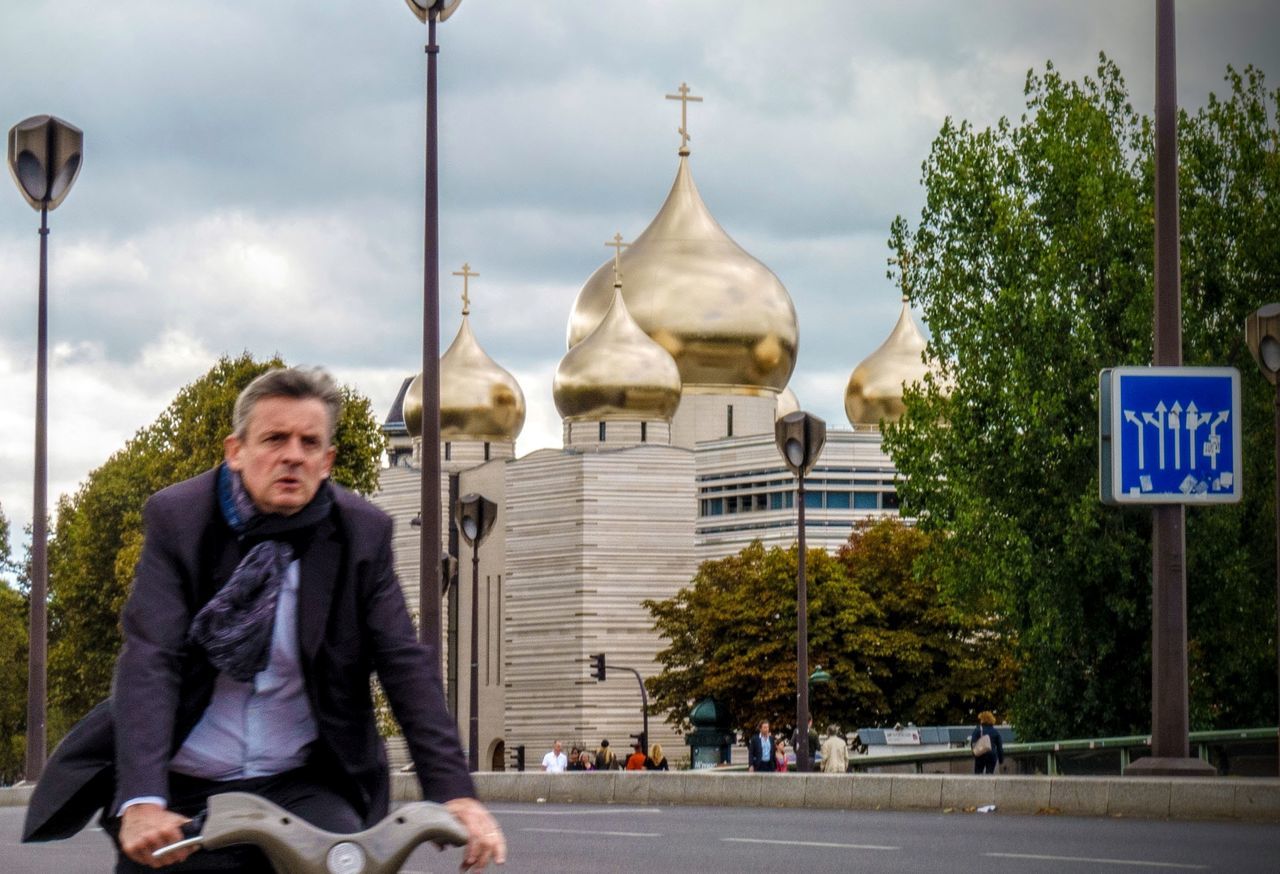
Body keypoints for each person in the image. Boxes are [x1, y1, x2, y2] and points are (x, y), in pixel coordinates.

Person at [22, 367, 505, 872]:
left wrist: (455, 795)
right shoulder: (179, 519)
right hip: (184, 785)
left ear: (327, 461)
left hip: (302, 782)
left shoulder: (362, 534)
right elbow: (151, 658)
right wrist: (143, 798)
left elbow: (405, 663)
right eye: (275, 438)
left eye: (308, 442)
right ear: (236, 451)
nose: (292, 454)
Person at [971, 710, 1004, 775]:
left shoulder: (977, 730)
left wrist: (974, 753)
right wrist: (1001, 760)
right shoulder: (995, 732)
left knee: (978, 774)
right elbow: (1000, 747)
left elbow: (973, 743)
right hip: (992, 755)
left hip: (980, 755)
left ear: (982, 720)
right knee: (989, 774)